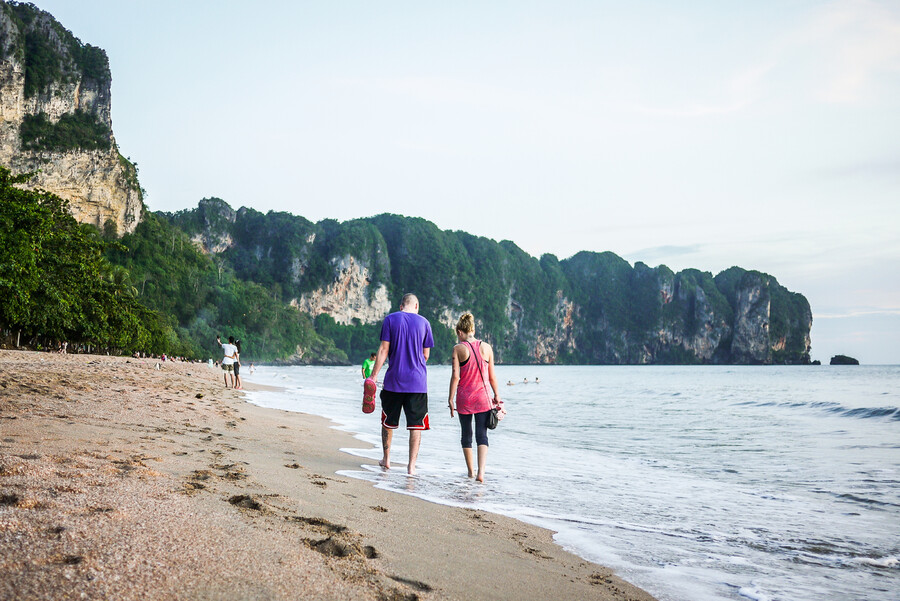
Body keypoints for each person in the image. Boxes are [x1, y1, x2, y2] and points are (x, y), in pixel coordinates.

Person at [367, 293, 434, 475]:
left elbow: (383, 350)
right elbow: (426, 355)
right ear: (417, 306)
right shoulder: (425, 323)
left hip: (393, 381)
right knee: (416, 425)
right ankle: (411, 466)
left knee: (388, 422)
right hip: (417, 384)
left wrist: (373, 376)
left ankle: (386, 459)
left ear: (401, 306)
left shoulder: (390, 320)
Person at [448, 313, 501, 483]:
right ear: (473, 329)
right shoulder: (487, 348)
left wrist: (450, 398)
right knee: (482, 434)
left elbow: (456, 376)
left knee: (466, 434)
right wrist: (497, 395)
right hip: (482, 398)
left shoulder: (458, 349)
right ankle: (481, 473)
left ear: (459, 331)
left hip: (464, 398)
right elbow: (492, 377)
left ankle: (470, 472)